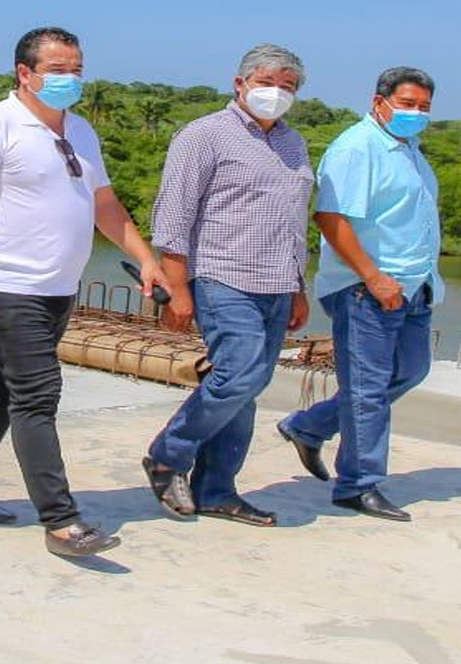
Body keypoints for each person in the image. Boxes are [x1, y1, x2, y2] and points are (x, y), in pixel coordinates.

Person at [0, 27, 171, 558]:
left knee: (3, 388)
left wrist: (147, 258)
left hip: (58, 287)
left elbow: (105, 204)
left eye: (76, 69)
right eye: (57, 70)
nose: (69, 79)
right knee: (37, 395)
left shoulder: (80, 130)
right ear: (25, 72)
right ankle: (61, 521)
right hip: (6, 285)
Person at [140, 45, 315, 524]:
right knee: (239, 373)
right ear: (240, 84)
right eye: (267, 82)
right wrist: (177, 290)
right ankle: (168, 454)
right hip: (223, 275)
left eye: (288, 87)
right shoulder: (204, 136)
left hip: (277, 283)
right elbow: (174, 216)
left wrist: (298, 286)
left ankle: (216, 488)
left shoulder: (293, 144)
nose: (276, 94)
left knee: (248, 386)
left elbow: (294, 221)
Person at [276, 67, 443, 523]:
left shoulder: (408, 150)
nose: (415, 113)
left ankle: (308, 426)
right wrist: (373, 277)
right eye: (407, 104)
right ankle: (358, 485)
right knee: (367, 389)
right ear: (379, 101)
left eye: (423, 107)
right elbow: (331, 220)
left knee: (410, 370)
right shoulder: (357, 147)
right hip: (367, 288)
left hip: (413, 286)